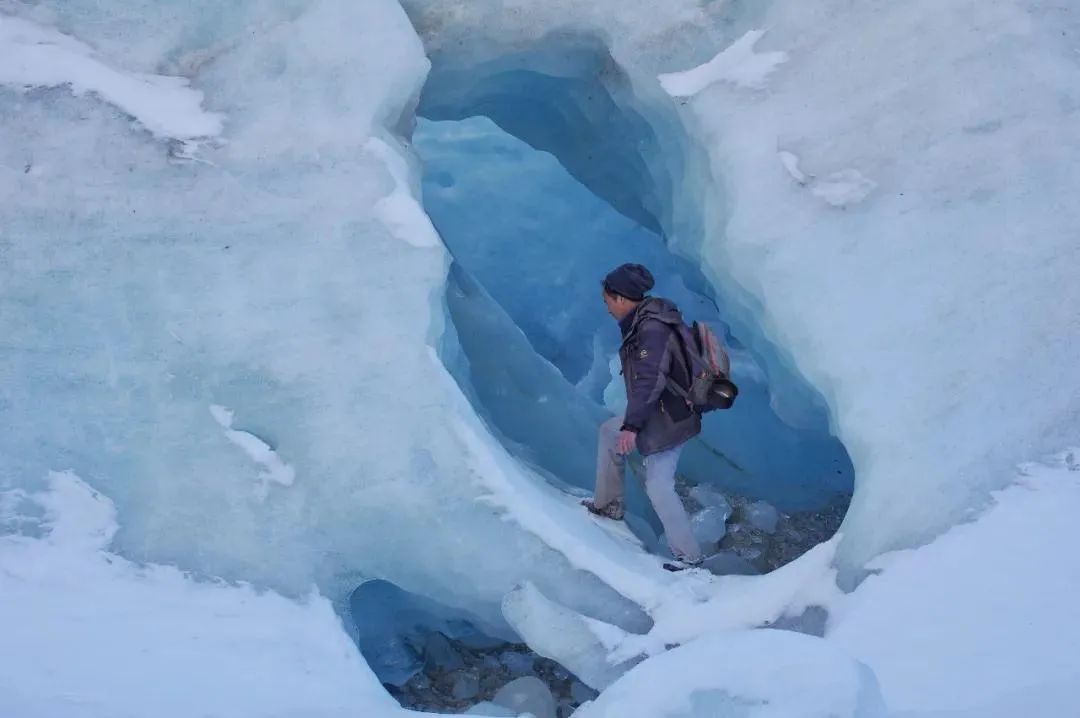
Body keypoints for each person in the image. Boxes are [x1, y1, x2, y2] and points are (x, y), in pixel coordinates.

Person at [582, 263, 705, 570]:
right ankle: (609, 504)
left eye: (607, 301)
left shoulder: (652, 328)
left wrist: (633, 426)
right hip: (662, 408)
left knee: (658, 485)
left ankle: (690, 558)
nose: (607, 308)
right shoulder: (648, 319)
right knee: (609, 432)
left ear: (621, 298)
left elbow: (650, 379)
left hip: (670, 416)